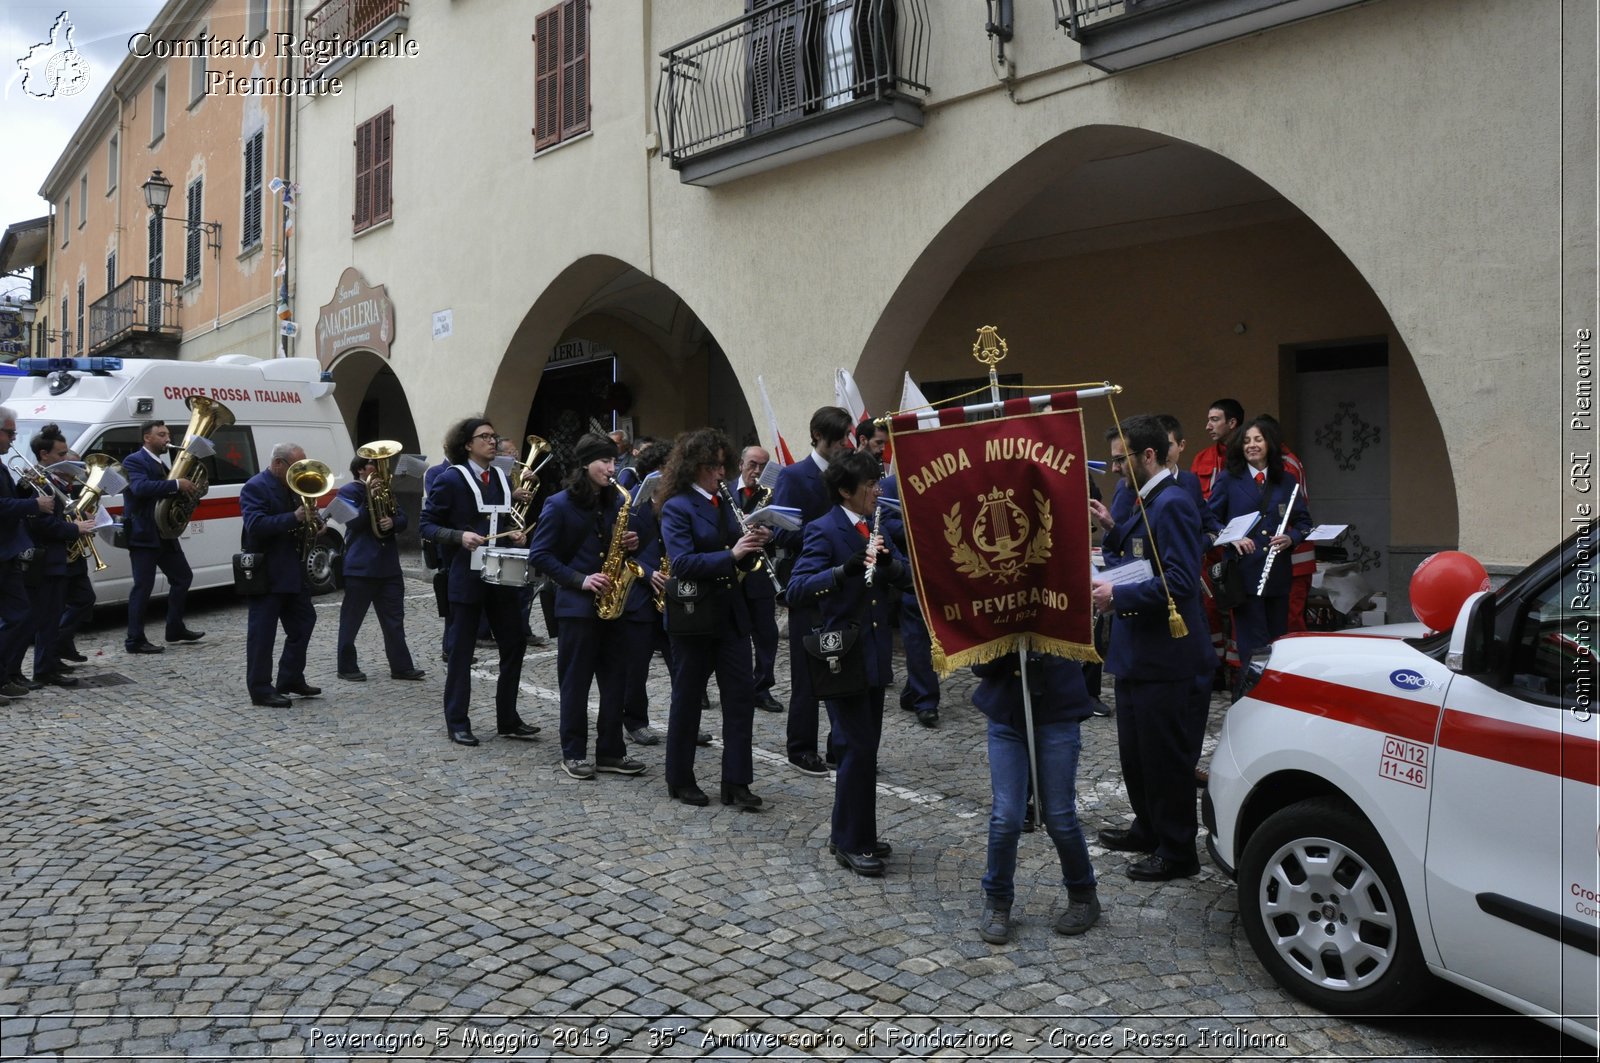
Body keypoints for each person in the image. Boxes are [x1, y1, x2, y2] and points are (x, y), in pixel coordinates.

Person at [1090, 414, 1215, 882]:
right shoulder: (1145, 501)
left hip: (1167, 656)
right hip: (1138, 653)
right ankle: (1149, 828)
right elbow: (1145, 553)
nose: (1116, 469)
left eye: (1122, 460)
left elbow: (1181, 581)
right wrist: (1113, 528)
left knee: (1165, 759)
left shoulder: (1174, 504)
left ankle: (1178, 849)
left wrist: (1117, 594)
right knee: (1136, 756)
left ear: (1148, 456)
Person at [787, 449, 913, 877]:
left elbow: (906, 575)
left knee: (864, 750)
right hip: (842, 654)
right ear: (846, 490)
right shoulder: (824, 530)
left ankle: (858, 830)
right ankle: (849, 841)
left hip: (873, 654)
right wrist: (843, 570)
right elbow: (798, 588)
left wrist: (891, 565)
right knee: (855, 749)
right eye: (870, 485)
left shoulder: (874, 526)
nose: (879, 490)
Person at [656, 428, 769, 809]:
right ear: (693, 467)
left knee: (739, 700)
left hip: (731, 615)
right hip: (694, 616)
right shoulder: (677, 506)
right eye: (713, 466)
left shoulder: (726, 501)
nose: (721, 473)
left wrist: (755, 545)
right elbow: (683, 562)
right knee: (687, 699)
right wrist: (732, 554)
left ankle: (736, 781)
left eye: (723, 465)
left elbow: (740, 556)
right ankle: (680, 777)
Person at [529, 433, 648, 780]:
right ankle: (575, 752)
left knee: (615, 682)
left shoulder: (615, 501)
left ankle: (611, 751)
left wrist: (632, 544)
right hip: (577, 607)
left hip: (613, 605)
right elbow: (540, 555)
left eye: (614, 461)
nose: (612, 469)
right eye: (605, 462)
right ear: (585, 464)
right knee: (576, 683)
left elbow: (623, 551)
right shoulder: (559, 503)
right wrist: (581, 579)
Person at [420, 416, 542, 747]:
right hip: (466, 576)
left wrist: (513, 533)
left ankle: (508, 719)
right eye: (484, 436)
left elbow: (498, 520)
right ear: (467, 444)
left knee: (514, 643)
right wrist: (458, 536)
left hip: (500, 575)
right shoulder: (450, 479)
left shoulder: (501, 479)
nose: (492, 441)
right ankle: (457, 721)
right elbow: (427, 525)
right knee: (461, 651)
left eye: (493, 435)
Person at [972, 652, 1100, 944]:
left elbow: (1081, 645)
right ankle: (998, 900)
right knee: (1006, 816)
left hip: (1058, 713)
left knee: (1059, 816)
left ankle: (1083, 895)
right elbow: (979, 665)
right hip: (1007, 715)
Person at [772, 406, 854, 776]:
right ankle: (800, 747)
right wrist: (827, 530)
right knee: (807, 672)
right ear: (818, 437)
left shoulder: (848, 471)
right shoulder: (794, 475)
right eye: (838, 441)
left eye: (847, 439)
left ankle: (839, 744)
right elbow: (781, 533)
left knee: (842, 665)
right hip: (807, 582)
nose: (844, 446)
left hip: (843, 582)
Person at [1206, 417, 1312, 686]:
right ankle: (1249, 693)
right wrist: (1232, 538)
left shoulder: (1286, 481)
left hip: (1277, 572)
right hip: (1243, 573)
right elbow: (1210, 519)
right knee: (1252, 644)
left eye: (1258, 439)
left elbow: (1303, 522)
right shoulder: (1230, 479)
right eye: (1246, 441)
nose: (1252, 445)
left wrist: (1291, 537)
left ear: (1269, 444)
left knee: (1278, 640)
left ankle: (1273, 693)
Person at [240, 443, 322, 709]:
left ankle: (290, 677)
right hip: (267, 571)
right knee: (262, 634)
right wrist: (294, 517)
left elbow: (302, 522)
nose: (302, 472)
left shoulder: (295, 488)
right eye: (296, 467)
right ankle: (260, 688)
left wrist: (314, 523)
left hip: (293, 570)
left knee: (304, 622)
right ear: (278, 464)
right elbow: (255, 525)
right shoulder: (255, 487)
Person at [15, 426, 95, 688]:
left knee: (50, 618)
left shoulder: (52, 481)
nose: (67, 459)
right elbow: (40, 524)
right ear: (44, 455)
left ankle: (45, 667)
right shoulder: (36, 482)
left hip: (56, 558)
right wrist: (75, 529)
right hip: (45, 559)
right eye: (61, 454)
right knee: (39, 619)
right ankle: (31, 670)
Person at [335, 453, 425, 683]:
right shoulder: (347, 492)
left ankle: (401, 666)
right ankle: (346, 666)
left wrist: (393, 522)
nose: (377, 471)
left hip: (389, 567)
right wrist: (370, 499)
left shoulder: (386, 490)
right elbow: (353, 521)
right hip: (360, 567)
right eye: (373, 466)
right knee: (352, 620)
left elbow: (404, 519)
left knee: (394, 620)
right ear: (361, 470)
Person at [122, 419, 204, 653]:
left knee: (183, 577)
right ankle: (134, 640)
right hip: (144, 533)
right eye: (161, 435)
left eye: (167, 434)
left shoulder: (164, 463)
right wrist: (177, 483)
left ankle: (174, 628)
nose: (167, 439)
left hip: (164, 532)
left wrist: (189, 492)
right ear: (147, 438)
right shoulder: (134, 460)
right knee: (143, 587)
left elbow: (169, 493)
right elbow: (140, 488)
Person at [878, 473, 940, 727]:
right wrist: (920, 527)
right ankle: (926, 701)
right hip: (910, 572)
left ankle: (912, 691)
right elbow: (883, 522)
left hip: (946, 568)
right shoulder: (891, 484)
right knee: (917, 637)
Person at [732, 445, 783, 713]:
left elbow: (785, 527)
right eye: (752, 464)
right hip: (729, 573)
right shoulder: (724, 491)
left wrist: (770, 535)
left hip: (760, 573)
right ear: (741, 464)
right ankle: (705, 687)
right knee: (723, 633)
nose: (757, 471)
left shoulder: (773, 495)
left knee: (767, 634)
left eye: (763, 466)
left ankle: (761, 688)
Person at [0, 407, 46, 699]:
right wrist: (34, 506)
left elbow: (8, 499)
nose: (13, 440)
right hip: (2, 553)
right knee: (18, 616)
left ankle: (4, 677)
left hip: (8, 551)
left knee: (21, 615)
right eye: (10, 433)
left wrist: (25, 487)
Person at [57, 450, 98, 665]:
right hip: (61, 555)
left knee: (85, 598)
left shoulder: (72, 489)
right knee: (64, 604)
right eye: (76, 467)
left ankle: (63, 641)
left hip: (75, 556)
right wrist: (76, 526)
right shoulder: (53, 488)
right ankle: (60, 643)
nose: (80, 472)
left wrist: (86, 520)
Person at [1189, 398, 1242, 501]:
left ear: (1232, 423)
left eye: (1214, 419)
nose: (1208, 427)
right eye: (1209, 420)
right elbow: (1193, 497)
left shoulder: (1249, 455)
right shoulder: (1201, 458)